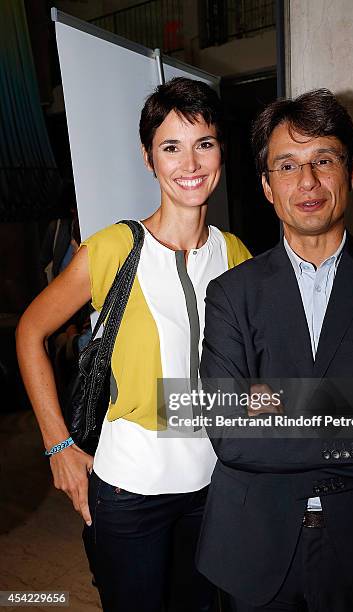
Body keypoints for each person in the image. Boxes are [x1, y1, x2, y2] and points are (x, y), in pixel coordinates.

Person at [16, 77, 251, 612]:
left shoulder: (236, 253)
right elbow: (30, 331)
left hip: (213, 487)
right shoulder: (114, 248)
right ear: (149, 158)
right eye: (171, 147)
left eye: (204, 144)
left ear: (221, 151)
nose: (189, 164)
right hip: (129, 492)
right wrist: (58, 447)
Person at [197, 89, 353, 612]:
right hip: (254, 547)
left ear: (352, 171)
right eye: (287, 165)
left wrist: (279, 407)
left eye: (323, 160)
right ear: (268, 188)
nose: (307, 182)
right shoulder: (231, 293)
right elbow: (229, 434)